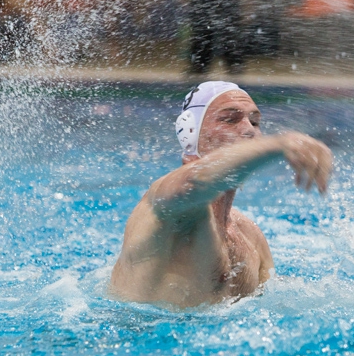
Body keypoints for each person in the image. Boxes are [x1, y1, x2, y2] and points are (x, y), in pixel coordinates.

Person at [109, 81, 333, 307]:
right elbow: (196, 181)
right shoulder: (166, 203)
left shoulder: (250, 235)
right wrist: (278, 145)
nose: (249, 130)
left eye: (255, 122)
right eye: (229, 119)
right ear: (190, 135)